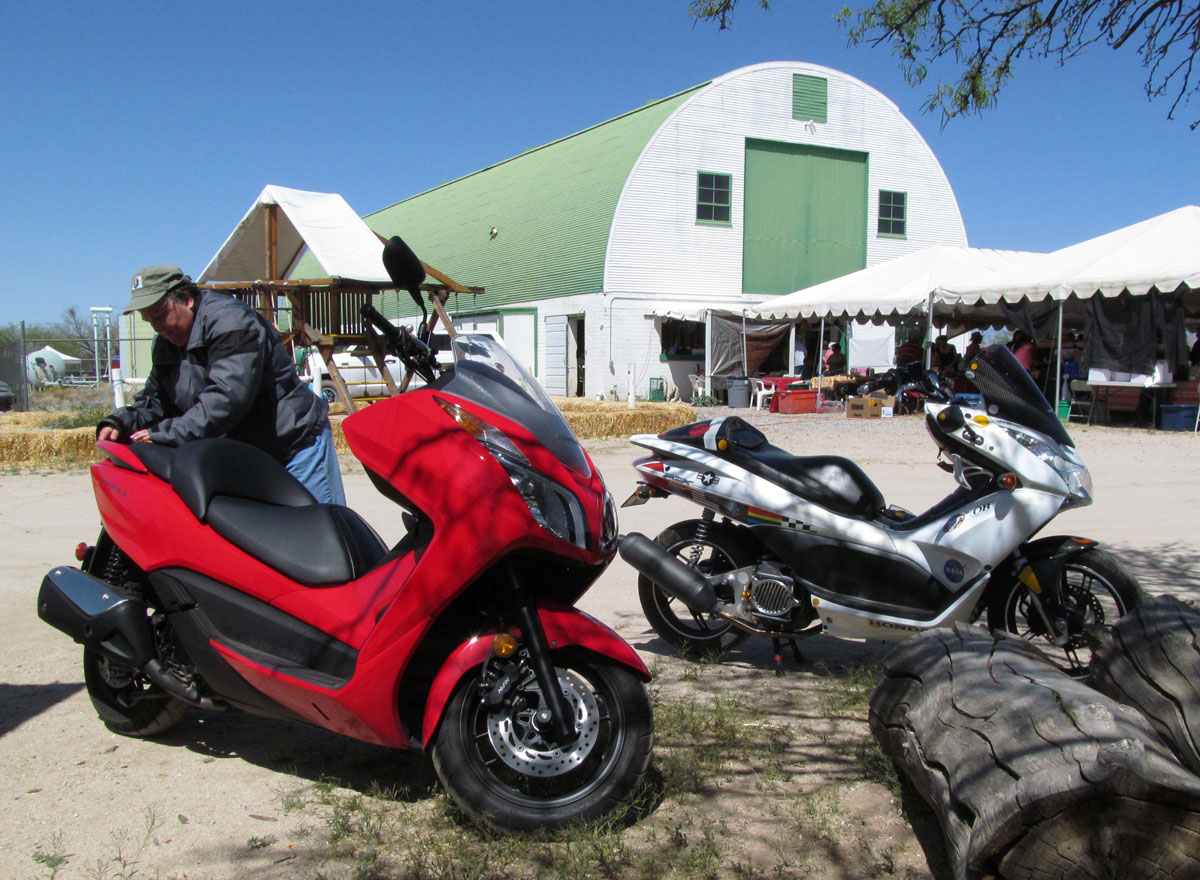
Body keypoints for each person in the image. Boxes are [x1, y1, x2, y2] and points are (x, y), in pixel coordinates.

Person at [98, 265, 346, 504]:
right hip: (249, 452)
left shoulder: (231, 321)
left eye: (161, 316)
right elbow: (158, 400)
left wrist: (165, 434)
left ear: (186, 299)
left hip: (293, 444)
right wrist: (121, 422)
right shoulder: (167, 344)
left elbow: (228, 398)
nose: (158, 327)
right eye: (150, 321)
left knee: (318, 535)